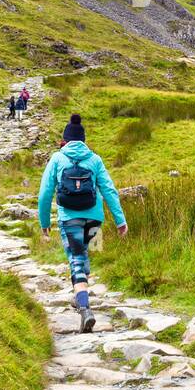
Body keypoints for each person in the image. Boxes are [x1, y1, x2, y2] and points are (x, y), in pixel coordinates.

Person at [37, 113, 127, 332]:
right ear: (84, 140)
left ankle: (85, 308)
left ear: (65, 140)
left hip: (69, 217)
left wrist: (44, 222)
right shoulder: (95, 159)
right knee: (83, 255)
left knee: (76, 259)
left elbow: (45, 193)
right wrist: (120, 220)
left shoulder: (57, 158)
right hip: (93, 218)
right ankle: (80, 295)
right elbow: (109, 190)